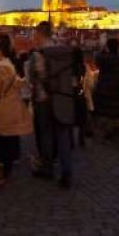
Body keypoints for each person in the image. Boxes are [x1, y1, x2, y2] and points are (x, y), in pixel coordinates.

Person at [29, 22, 82, 189]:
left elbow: (34, 78)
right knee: (64, 136)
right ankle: (67, 172)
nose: (34, 39)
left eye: (35, 36)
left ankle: (48, 168)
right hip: (64, 99)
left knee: (46, 135)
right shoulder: (65, 52)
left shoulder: (39, 54)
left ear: (39, 35)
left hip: (45, 99)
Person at [0, 35, 32, 189]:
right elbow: (18, 83)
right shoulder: (10, 65)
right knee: (9, 141)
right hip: (13, 107)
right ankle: (7, 171)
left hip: (1, 109)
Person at [93, 39, 119, 141]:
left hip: (103, 87)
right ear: (117, 47)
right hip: (117, 88)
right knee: (113, 113)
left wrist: (103, 50)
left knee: (103, 112)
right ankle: (109, 131)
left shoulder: (103, 58)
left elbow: (97, 58)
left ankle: (101, 131)